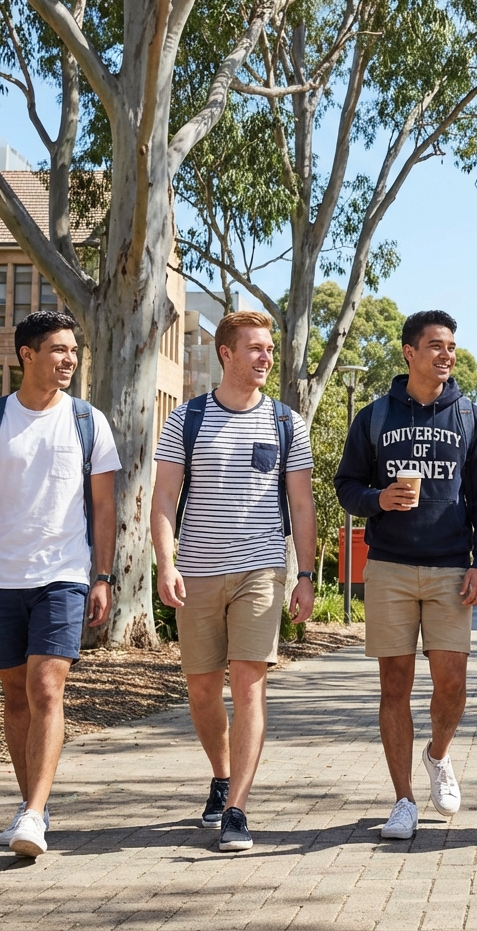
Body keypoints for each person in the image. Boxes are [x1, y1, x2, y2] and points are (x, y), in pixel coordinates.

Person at [151, 311, 316, 852]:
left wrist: (307, 574)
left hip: (261, 570)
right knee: (202, 688)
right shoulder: (186, 420)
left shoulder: (287, 422)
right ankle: (221, 777)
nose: (266, 357)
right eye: (255, 349)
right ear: (226, 354)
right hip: (197, 570)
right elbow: (163, 500)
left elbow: (301, 502)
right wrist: (166, 563)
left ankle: (238, 809)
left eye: (269, 348)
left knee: (248, 683)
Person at [334, 310, 477, 840]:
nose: (446, 354)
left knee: (453, 682)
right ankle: (403, 799)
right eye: (435, 345)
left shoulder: (471, 418)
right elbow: (347, 486)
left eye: (451, 346)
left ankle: (438, 754)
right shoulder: (375, 417)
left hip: (452, 568)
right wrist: (379, 498)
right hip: (390, 568)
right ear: (409, 352)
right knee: (394, 685)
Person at [0, 312, 120, 857]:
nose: (69, 359)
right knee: (13, 695)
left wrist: (101, 575)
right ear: (27, 355)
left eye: (74, 350)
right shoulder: (1, 418)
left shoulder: (87, 421)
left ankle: (30, 813)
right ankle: (35, 809)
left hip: (63, 576)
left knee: (46, 688)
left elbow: (103, 506)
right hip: (4, 578)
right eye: (58, 350)